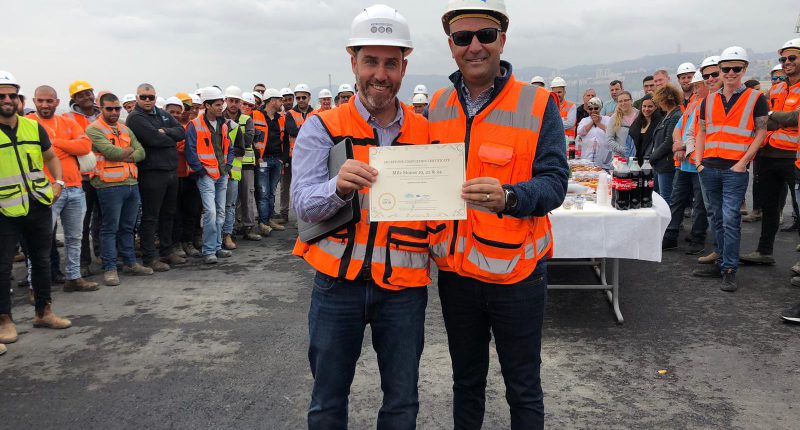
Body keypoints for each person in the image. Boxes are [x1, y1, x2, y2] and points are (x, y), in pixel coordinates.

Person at [426, 1, 569, 428]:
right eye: (462, 37)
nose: (474, 46)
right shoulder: (437, 104)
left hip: (517, 275)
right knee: (466, 381)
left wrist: (511, 196)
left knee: (522, 386)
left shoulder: (538, 103)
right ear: (451, 45)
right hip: (456, 274)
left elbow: (555, 182)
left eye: (485, 36)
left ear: (501, 40)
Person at [292, 5, 432, 428]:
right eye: (370, 61)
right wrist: (337, 187)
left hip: (404, 289)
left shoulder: (427, 133)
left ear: (404, 66)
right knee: (327, 401)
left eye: (391, 63)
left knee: (402, 403)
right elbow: (303, 205)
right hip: (337, 285)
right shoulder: (323, 127)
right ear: (352, 61)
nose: (380, 74)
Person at [0, 71, 72, 354]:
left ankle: (43, 312)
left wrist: (58, 182)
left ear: (19, 99)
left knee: (41, 261)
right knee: (2, 267)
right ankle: (5, 320)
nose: (7, 100)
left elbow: (51, 157)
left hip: (38, 205)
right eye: (1, 95)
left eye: (12, 95)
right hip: (4, 210)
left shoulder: (32, 127)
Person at [692, 46, 769, 292]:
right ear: (721, 70)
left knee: (730, 219)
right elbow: (702, 131)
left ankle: (729, 269)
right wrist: (699, 161)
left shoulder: (755, 98)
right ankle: (721, 263)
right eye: (726, 69)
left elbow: (761, 132)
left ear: (744, 69)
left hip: (734, 169)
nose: (730, 73)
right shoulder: (708, 100)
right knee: (717, 218)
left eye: (736, 68)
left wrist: (743, 162)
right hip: (709, 167)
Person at [29, 85, 98, 292]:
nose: (45, 105)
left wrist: (53, 143)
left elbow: (85, 146)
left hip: (75, 187)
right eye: (41, 101)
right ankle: (35, 287)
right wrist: (67, 146)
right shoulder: (28, 123)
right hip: (45, 190)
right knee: (40, 241)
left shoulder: (67, 121)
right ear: (34, 101)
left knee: (74, 237)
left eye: (49, 101)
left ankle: (73, 278)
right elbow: (35, 153)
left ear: (57, 102)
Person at [740, 38, 800, 267]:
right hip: (769, 154)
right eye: (783, 59)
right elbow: (765, 122)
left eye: (792, 57)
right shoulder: (776, 88)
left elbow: (795, 117)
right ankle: (764, 252)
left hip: (794, 157)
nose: (786, 62)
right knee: (769, 207)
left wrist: (776, 116)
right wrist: (781, 118)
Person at [86, 93, 152, 285]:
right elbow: (111, 152)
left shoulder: (124, 128)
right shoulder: (93, 129)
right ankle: (110, 268)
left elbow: (141, 152)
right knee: (110, 228)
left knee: (127, 227)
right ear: (101, 108)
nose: (114, 112)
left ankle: (130, 263)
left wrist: (126, 154)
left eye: (117, 108)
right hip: (109, 185)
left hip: (131, 183)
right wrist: (130, 151)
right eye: (109, 109)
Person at [126, 83, 186, 272]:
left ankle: (167, 251)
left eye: (151, 97)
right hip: (151, 172)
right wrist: (169, 137)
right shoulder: (135, 118)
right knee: (151, 216)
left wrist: (165, 131)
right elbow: (153, 139)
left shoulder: (162, 114)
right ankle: (149, 257)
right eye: (143, 97)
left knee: (169, 213)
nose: (147, 100)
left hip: (170, 171)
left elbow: (181, 132)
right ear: (137, 97)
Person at [185, 87, 243, 264]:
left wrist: (228, 166)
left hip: (222, 174)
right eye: (217, 105)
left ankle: (216, 247)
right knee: (210, 212)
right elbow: (190, 151)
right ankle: (209, 250)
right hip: (207, 175)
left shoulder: (223, 124)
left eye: (221, 104)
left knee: (220, 211)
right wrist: (201, 171)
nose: (221, 107)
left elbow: (230, 148)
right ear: (207, 105)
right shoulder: (195, 125)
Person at [662, 71, 709, 254]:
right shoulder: (694, 104)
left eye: (697, 86)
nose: (694, 90)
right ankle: (670, 235)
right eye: (694, 87)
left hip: (699, 163)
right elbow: (679, 128)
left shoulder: (710, 104)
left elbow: (705, 134)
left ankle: (697, 238)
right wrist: (678, 144)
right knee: (676, 200)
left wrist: (681, 146)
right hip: (685, 163)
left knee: (700, 204)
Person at [65, 80, 102, 278]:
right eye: (81, 95)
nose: (86, 97)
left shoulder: (103, 114)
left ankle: (103, 255)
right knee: (82, 223)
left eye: (88, 93)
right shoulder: (68, 118)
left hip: (104, 175)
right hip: (83, 178)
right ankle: (83, 263)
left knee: (103, 220)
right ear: (74, 99)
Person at [220, 85, 254, 250]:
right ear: (226, 101)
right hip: (220, 169)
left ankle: (238, 231)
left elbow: (246, 141)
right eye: (231, 100)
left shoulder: (246, 120)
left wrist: (227, 147)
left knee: (240, 201)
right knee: (223, 204)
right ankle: (226, 232)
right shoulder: (219, 118)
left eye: (236, 101)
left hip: (238, 167)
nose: (233, 104)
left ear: (240, 102)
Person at [254, 89, 287, 235]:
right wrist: (257, 156)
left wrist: (282, 159)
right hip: (262, 160)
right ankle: (263, 223)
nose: (282, 103)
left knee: (272, 193)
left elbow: (285, 140)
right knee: (263, 193)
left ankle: (268, 220)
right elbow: (251, 138)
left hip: (276, 160)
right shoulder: (256, 115)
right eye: (280, 100)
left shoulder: (281, 119)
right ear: (272, 101)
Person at [234, 92, 262, 242]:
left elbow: (247, 140)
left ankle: (248, 227)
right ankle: (234, 227)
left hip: (246, 164)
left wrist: (232, 139)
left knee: (247, 197)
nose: (246, 107)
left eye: (249, 105)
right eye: (244, 104)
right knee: (233, 199)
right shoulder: (224, 118)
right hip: (231, 163)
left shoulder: (247, 120)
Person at [648, 84, 683, 206]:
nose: (658, 104)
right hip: (660, 164)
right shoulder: (669, 115)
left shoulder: (675, 116)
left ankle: (668, 218)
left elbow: (669, 142)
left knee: (666, 197)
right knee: (659, 196)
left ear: (664, 100)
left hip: (667, 164)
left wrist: (652, 157)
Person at [576, 97, 611, 168]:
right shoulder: (584, 120)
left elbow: (611, 133)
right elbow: (580, 133)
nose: (593, 111)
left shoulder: (608, 119)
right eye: (590, 109)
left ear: (600, 108)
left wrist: (598, 123)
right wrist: (592, 121)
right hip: (587, 158)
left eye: (596, 108)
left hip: (603, 158)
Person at [628, 94, 662, 164]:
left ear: (656, 107)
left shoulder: (660, 123)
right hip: (635, 163)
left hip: (651, 162)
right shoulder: (637, 123)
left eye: (650, 106)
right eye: (644, 106)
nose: (646, 109)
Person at [606, 91, 639, 158]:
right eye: (620, 101)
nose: (623, 103)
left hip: (638, 156)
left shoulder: (639, 115)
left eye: (626, 100)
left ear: (631, 101)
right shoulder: (614, 118)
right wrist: (624, 150)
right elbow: (609, 139)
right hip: (620, 158)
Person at [551, 76, 576, 143]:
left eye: (559, 92)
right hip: (553, 141)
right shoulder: (549, 107)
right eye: (555, 93)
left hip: (568, 142)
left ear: (564, 92)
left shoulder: (571, 106)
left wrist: (552, 123)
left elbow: (570, 124)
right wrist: (563, 120)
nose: (557, 95)